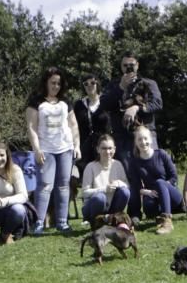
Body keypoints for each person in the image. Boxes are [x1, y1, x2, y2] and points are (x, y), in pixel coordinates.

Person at [26, 66, 81, 235]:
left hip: (65, 148)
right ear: (45, 83)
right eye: (53, 83)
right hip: (46, 150)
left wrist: (77, 146)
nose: (56, 86)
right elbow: (31, 127)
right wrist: (36, 149)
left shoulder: (65, 102)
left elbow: (73, 125)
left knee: (63, 186)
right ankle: (39, 223)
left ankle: (62, 222)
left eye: (58, 83)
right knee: (44, 186)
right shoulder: (36, 102)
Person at [100, 52, 163, 166]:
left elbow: (157, 103)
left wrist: (137, 108)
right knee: (128, 175)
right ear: (121, 66)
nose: (128, 68)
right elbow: (104, 104)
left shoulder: (149, 83)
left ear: (137, 65)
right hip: (123, 137)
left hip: (146, 134)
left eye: (131, 65)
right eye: (125, 65)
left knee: (152, 169)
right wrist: (121, 88)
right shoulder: (113, 85)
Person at [127, 126, 183, 234]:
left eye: (145, 138)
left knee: (159, 182)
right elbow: (136, 186)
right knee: (148, 207)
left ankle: (167, 221)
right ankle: (159, 216)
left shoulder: (161, 154)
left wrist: (163, 186)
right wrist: (147, 191)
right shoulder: (134, 162)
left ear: (151, 139)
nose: (143, 142)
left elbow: (174, 177)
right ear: (135, 142)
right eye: (139, 139)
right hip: (152, 195)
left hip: (171, 195)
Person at [80, 134, 130, 222]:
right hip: (93, 206)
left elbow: (127, 187)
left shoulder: (118, 165)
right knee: (100, 197)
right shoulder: (90, 167)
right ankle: (94, 221)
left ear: (114, 149)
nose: (107, 152)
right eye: (104, 148)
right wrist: (104, 189)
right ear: (98, 149)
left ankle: (114, 218)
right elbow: (84, 193)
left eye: (110, 148)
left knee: (125, 192)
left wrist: (118, 183)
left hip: (111, 205)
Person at [73, 73, 111, 176]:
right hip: (85, 145)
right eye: (86, 84)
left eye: (93, 83)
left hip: (103, 144)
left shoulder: (106, 101)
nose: (89, 86)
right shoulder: (79, 105)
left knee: (103, 173)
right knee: (86, 174)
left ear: (97, 84)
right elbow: (73, 125)